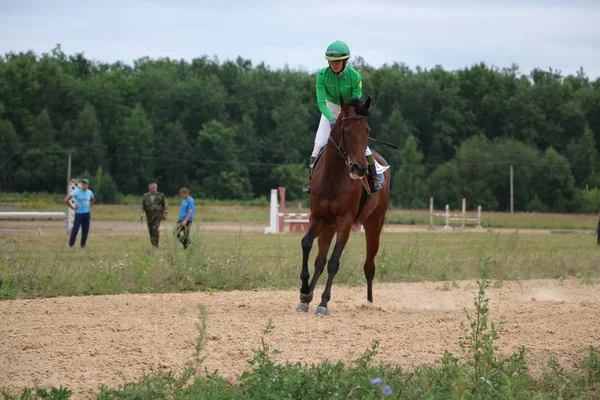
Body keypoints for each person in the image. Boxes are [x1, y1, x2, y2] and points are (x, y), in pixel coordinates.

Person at [303, 40, 384, 194]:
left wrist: (348, 116)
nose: (334, 65)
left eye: (337, 62)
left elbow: (355, 101)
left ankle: (374, 177)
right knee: (319, 143)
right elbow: (321, 103)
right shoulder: (321, 76)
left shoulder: (355, 76)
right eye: (331, 62)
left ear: (345, 61)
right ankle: (311, 179)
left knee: (360, 145)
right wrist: (332, 119)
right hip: (330, 109)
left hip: (350, 111)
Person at [64, 178, 95, 248]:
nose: (84, 185)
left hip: (86, 213)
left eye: (85, 184)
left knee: (85, 229)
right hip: (79, 213)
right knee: (75, 229)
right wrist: (72, 207)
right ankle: (71, 244)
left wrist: (90, 205)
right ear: (81, 184)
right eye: (83, 183)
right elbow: (66, 200)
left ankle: (83, 244)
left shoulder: (90, 192)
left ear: (88, 185)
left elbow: (93, 200)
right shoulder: (76, 191)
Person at [140, 183, 168, 247]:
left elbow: (165, 204)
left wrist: (165, 213)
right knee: (150, 231)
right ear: (149, 188)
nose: (154, 189)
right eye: (153, 188)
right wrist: (141, 212)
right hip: (149, 217)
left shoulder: (161, 195)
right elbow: (143, 205)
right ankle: (153, 244)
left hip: (158, 216)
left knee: (155, 229)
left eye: (155, 187)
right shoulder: (145, 196)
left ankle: (156, 245)